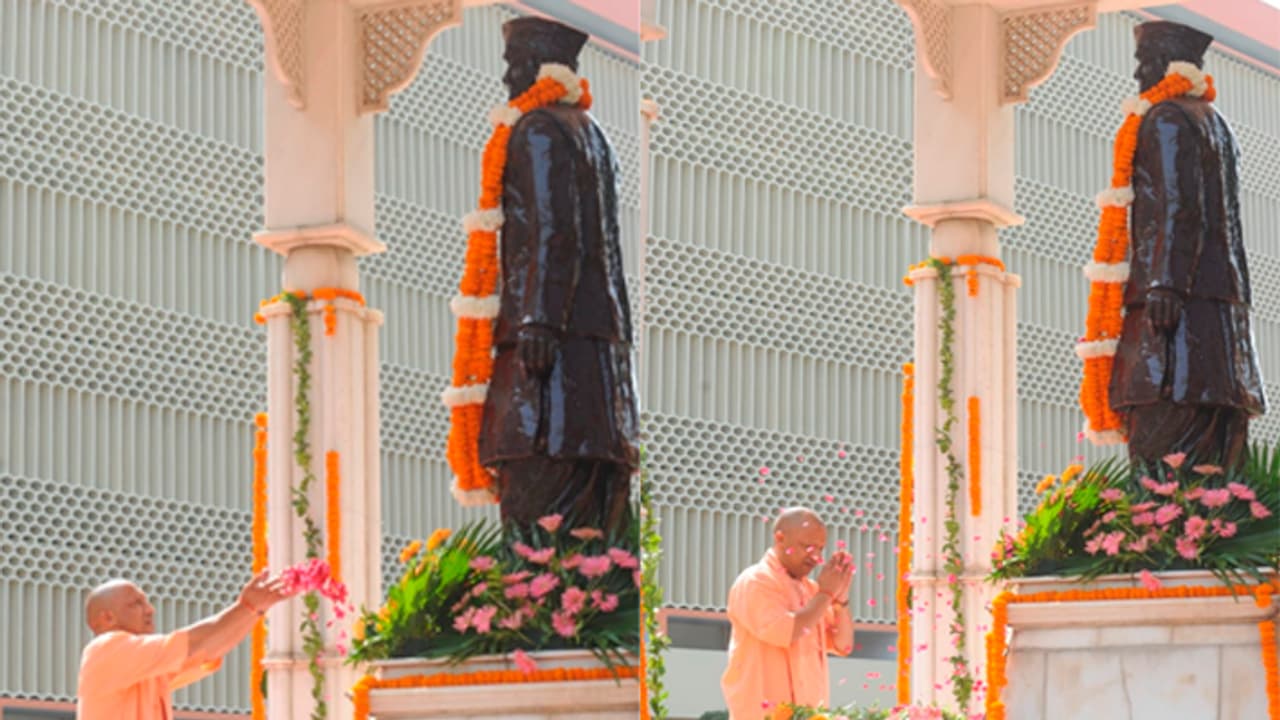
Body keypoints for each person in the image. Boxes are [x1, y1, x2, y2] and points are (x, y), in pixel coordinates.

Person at [478, 16, 639, 534]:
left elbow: (554, 230)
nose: (509, 76)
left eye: (513, 63)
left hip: (550, 359)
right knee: (595, 519)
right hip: (598, 366)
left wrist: (539, 323)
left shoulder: (537, 129)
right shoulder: (595, 135)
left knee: (537, 517)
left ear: (536, 63)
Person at [1110, 20, 1266, 470]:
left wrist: (1166, 284)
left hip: (1175, 316)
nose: (1140, 75)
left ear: (1166, 64)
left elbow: (1180, 206)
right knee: (1219, 467)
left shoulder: (1166, 117)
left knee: (1162, 464)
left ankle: (1162, 538)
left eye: (1145, 63)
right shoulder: (1216, 123)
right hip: (1220, 325)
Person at [77, 570, 291, 720]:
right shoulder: (106, 648)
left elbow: (210, 648)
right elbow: (199, 643)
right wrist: (248, 606)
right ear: (107, 618)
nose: (150, 610)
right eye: (136, 603)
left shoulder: (145, 668)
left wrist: (256, 609)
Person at [721, 508, 856, 719]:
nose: (816, 558)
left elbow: (843, 644)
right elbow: (786, 632)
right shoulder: (756, 582)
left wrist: (841, 600)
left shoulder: (813, 591)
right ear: (780, 538)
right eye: (808, 547)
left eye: (820, 549)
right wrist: (827, 593)